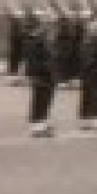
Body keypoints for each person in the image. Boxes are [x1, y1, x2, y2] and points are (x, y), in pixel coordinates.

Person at [24, 9, 59, 137]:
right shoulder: (37, 38)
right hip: (41, 75)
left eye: (54, 23)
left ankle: (42, 125)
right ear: (45, 23)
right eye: (51, 23)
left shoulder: (48, 38)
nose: (53, 26)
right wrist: (35, 73)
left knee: (46, 101)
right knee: (40, 101)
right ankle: (36, 128)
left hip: (49, 75)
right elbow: (32, 58)